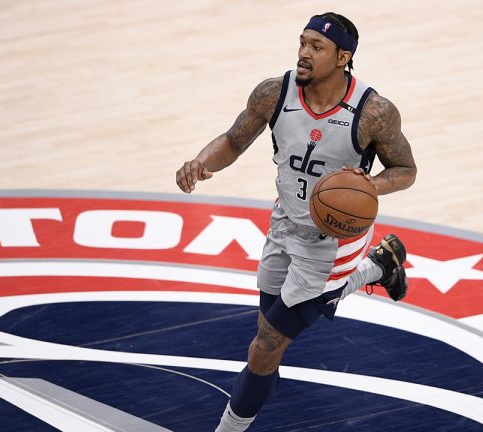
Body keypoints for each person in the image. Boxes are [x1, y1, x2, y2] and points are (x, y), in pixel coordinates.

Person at [175, 12, 417, 431]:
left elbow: (406, 170)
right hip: (285, 223)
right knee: (266, 325)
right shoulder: (274, 92)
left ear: (343, 57)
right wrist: (200, 161)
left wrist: (370, 186)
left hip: (333, 243)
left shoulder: (373, 112)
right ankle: (381, 267)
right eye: (302, 43)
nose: (304, 53)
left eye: (316, 47)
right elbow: (233, 140)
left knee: (265, 347)